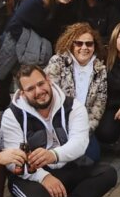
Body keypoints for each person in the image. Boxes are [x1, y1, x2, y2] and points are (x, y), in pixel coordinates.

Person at [1, 64, 117, 197]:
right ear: (22, 93)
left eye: (40, 84)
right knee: (36, 194)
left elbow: (80, 143)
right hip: (31, 175)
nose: (39, 91)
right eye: (31, 89)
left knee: (108, 174)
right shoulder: (11, 115)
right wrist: (44, 177)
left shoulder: (73, 106)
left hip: (65, 166)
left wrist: (54, 155)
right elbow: (13, 162)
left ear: (48, 79)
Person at [44, 23, 107, 160]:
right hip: (58, 125)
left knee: (92, 158)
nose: (84, 48)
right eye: (79, 43)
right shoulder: (57, 62)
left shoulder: (100, 69)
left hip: (83, 127)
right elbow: (49, 98)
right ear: (71, 44)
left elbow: (99, 106)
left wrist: (84, 131)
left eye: (89, 44)